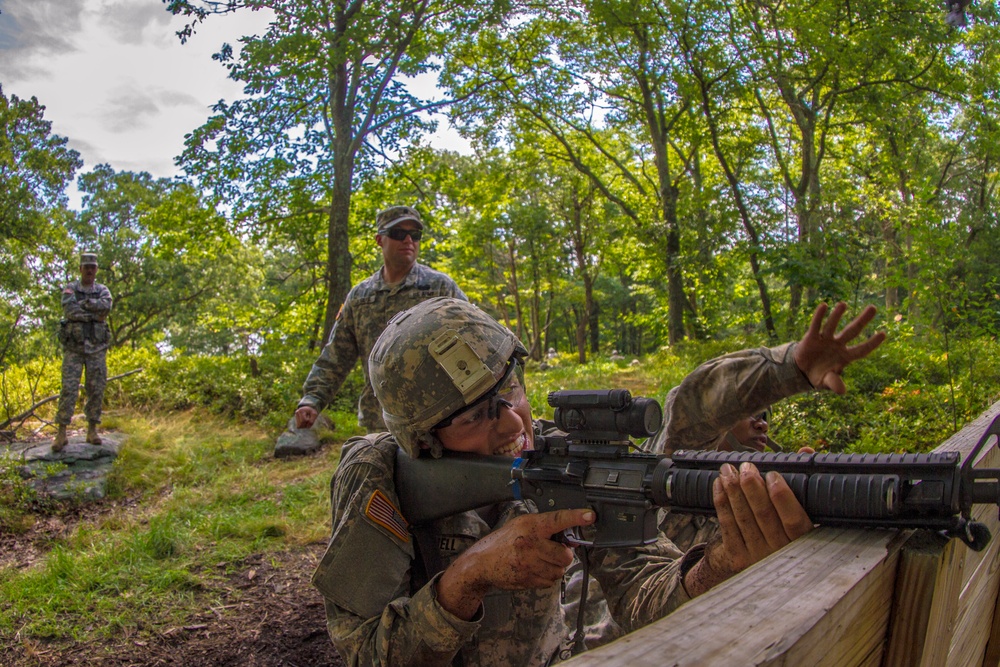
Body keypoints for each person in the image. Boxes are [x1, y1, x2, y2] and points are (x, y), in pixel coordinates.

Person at [312, 297, 814, 665]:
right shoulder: (380, 477)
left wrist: (721, 566)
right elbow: (366, 655)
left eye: (512, 390)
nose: (514, 424)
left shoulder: (564, 459)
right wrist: (467, 580)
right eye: (475, 417)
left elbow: (644, 589)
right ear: (424, 442)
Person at [643, 301, 886, 551]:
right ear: (723, 417)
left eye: (766, 417)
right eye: (753, 414)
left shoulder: (754, 489)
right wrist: (791, 368)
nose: (763, 426)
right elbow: (698, 404)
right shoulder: (673, 466)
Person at [294, 206, 467, 433]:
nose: (408, 240)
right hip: (380, 421)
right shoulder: (360, 296)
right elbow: (337, 355)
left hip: (438, 417)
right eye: (398, 233)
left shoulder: (439, 288)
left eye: (414, 235)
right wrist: (312, 398)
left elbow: (478, 337)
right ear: (379, 240)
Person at [53, 252, 113, 451]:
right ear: (80, 268)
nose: (89, 270)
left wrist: (86, 306)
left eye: (92, 267)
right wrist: (93, 315)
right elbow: (70, 311)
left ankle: (92, 431)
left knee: (96, 387)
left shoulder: (103, 290)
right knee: (69, 388)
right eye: (86, 266)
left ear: (96, 269)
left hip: (97, 347)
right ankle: (61, 433)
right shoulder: (71, 289)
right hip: (74, 348)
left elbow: (106, 307)